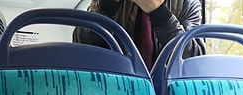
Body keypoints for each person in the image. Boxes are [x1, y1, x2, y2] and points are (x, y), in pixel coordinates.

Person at [73, 0, 205, 70]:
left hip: (166, 92)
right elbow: (80, 48)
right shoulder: (104, 3)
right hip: (117, 85)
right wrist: (107, 5)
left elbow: (194, 60)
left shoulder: (187, 4)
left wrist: (159, 13)